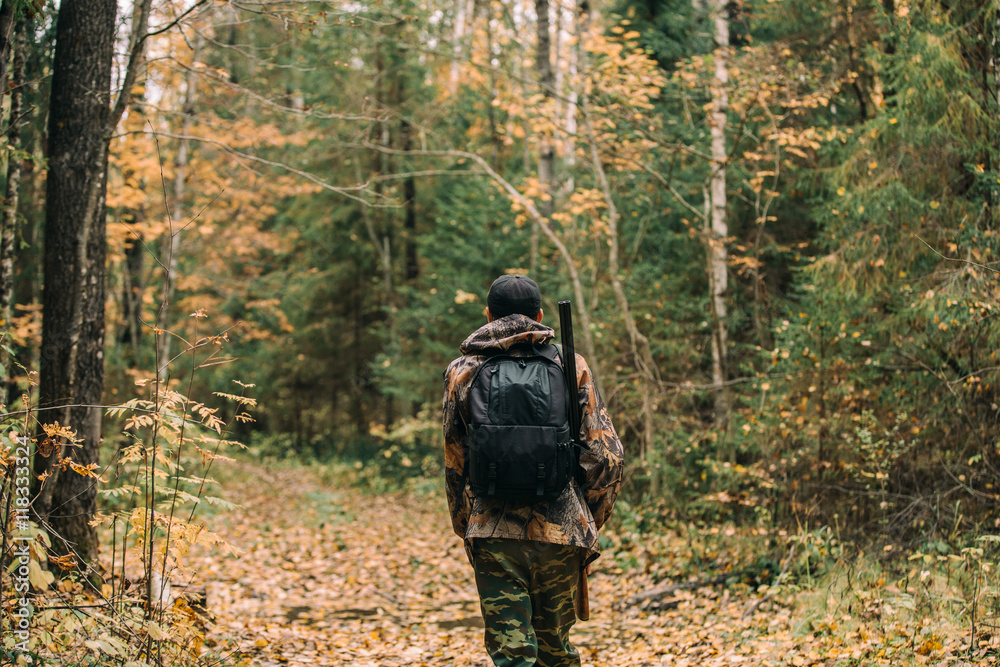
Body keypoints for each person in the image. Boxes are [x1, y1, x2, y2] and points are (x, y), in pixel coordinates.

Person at [442, 274, 624, 667]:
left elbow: (454, 459)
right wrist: (588, 518)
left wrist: (467, 526)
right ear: (540, 315)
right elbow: (606, 458)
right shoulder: (569, 363)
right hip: (563, 531)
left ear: (488, 315)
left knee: (513, 656)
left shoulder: (462, 370)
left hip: (493, 532)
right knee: (555, 653)